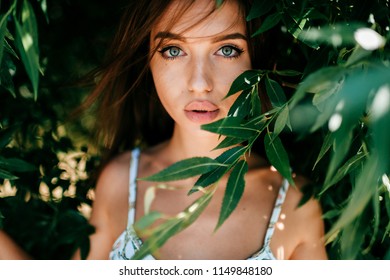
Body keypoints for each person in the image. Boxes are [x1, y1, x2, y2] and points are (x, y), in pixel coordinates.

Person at [0, 0, 328, 260]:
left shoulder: (295, 203)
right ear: (149, 59)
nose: (199, 83)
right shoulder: (121, 181)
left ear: (259, 62)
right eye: (174, 50)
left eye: (227, 50)